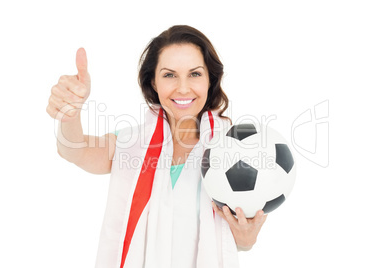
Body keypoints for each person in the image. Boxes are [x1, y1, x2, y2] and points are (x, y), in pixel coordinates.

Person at [46, 25, 267, 268]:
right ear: (153, 81)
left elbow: (238, 238)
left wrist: (246, 239)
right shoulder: (132, 144)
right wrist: (70, 114)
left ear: (210, 79)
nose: (183, 88)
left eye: (195, 74)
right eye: (169, 75)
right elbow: (73, 150)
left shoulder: (233, 148)